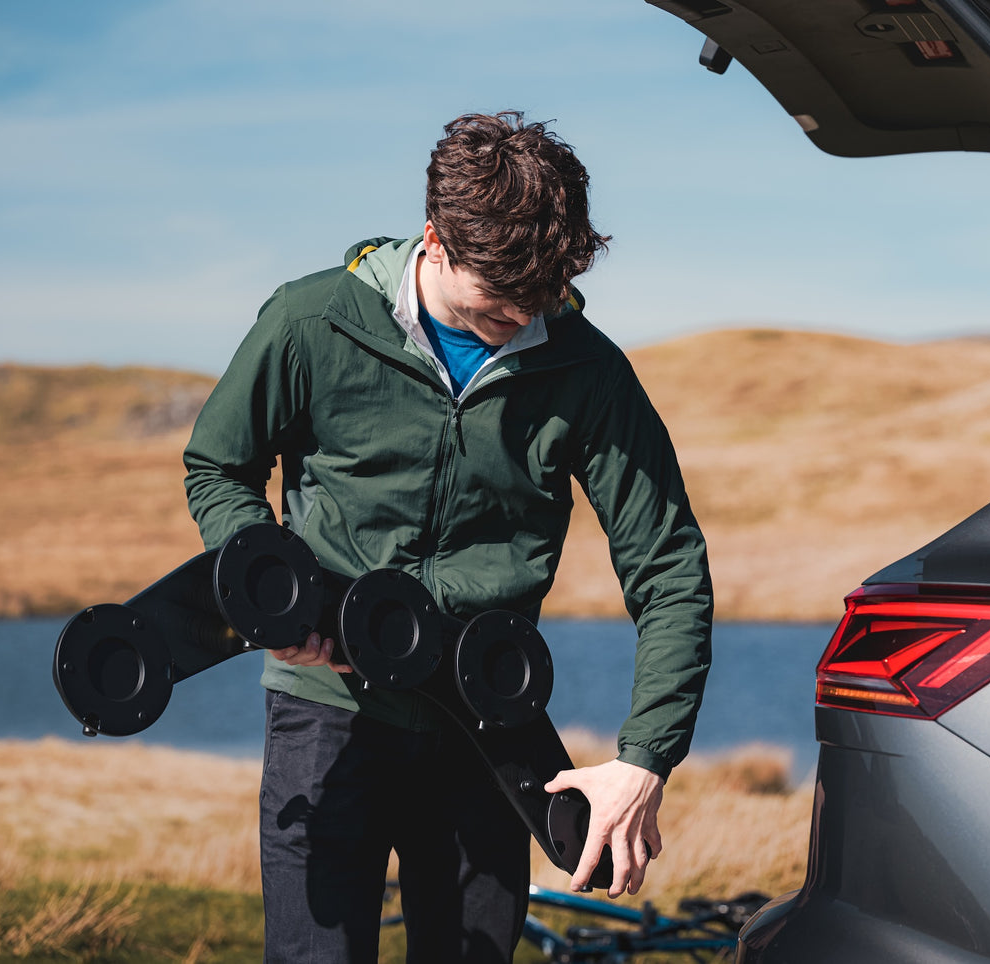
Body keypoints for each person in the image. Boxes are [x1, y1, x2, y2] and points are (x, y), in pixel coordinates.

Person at [182, 111, 713, 963]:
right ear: (435, 239)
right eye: (494, 303)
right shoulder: (310, 321)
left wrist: (644, 756)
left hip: (487, 727)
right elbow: (218, 468)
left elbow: (669, 565)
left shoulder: (587, 368)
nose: (518, 322)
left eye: (537, 302)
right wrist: (277, 595)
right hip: (327, 716)